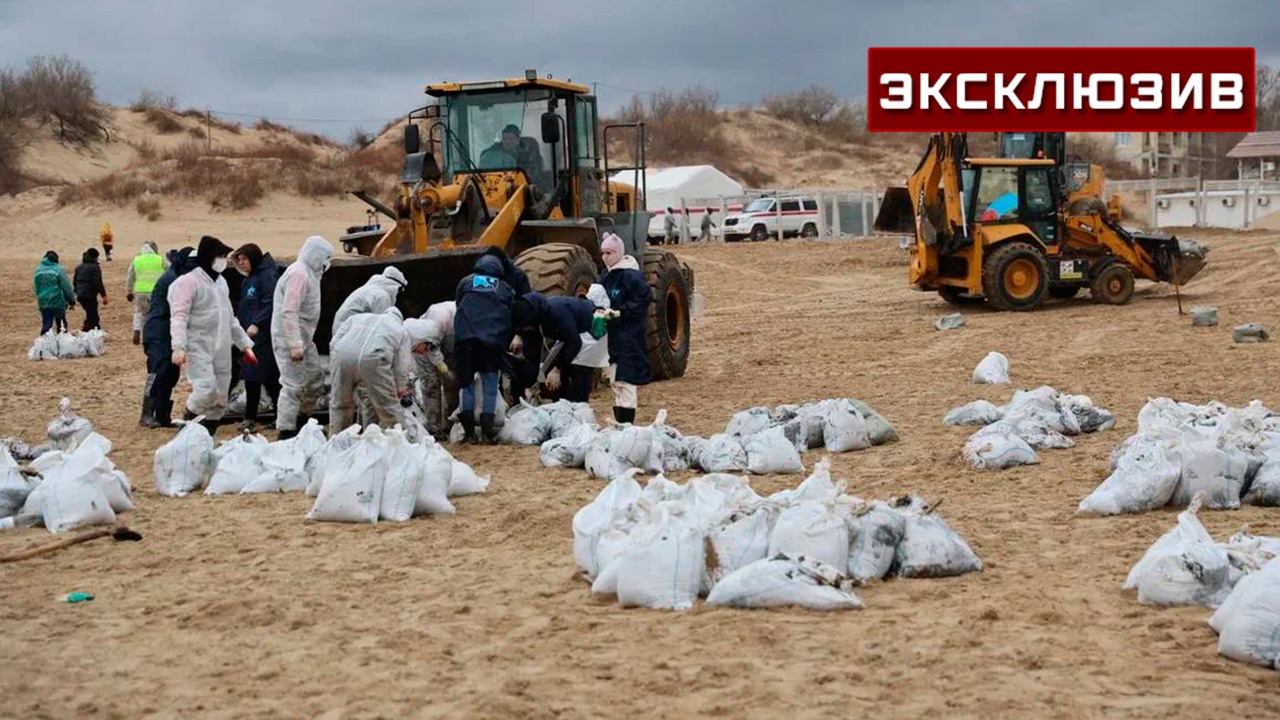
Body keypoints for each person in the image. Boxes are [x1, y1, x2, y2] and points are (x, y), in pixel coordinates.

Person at [169, 236, 257, 431]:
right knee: (206, 390)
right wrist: (178, 346)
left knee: (220, 398)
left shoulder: (221, 283)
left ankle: (207, 435)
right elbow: (179, 316)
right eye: (220, 256)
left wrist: (245, 345)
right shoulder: (189, 282)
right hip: (198, 345)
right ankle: (188, 416)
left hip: (222, 348)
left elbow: (230, 318)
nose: (224, 260)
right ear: (208, 257)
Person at [328, 309, 437, 437]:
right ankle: (396, 443)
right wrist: (400, 388)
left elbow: (334, 342)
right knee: (389, 408)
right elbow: (402, 365)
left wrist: (337, 359)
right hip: (375, 359)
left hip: (343, 355)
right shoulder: (400, 331)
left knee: (340, 403)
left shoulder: (357, 318)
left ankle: (337, 440)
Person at [272, 235, 334, 439]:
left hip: (305, 339)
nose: (327, 262)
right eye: (325, 257)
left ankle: (302, 418)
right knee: (293, 385)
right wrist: (294, 344)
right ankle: (286, 430)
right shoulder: (299, 274)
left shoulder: (311, 274)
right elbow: (289, 311)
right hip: (290, 340)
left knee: (315, 380)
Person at [453, 254, 515, 444]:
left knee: (467, 385)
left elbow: (458, 303)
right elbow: (510, 312)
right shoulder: (505, 288)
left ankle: (470, 434)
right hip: (491, 342)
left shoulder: (465, 282)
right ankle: (488, 434)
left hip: (465, 340)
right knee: (490, 385)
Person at [510, 290, 600, 403]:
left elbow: (575, 343)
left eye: (525, 327)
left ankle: (578, 406)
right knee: (550, 371)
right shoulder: (532, 324)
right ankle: (560, 404)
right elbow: (532, 358)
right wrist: (527, 386)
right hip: (569, 336)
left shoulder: (556, 312)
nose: (526, 330)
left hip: (592, 329)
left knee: (577, 369)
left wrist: (558, 369)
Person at [599, 233, 652, 424]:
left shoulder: (631, 276)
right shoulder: (606, 276)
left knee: (626, 380)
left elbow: (642, 299)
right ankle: (621, 421)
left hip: (629, 336)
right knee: (615, 380)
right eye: (603, 253)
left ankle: (627, 423)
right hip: (613, 337)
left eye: (610, 252)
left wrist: (620, 312)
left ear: (620, 253)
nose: (606, 257)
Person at [141, 247, 197, 428]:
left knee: (170, 373)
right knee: (158, 371)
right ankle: (147, 414)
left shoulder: (178, 277)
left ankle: (163, 414)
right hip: (158, 331)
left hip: (169, 332)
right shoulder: (172, 280)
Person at [232, 243, 283, 431]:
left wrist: (258, 323)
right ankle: (249, 417)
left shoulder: (267, 276)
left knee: (269, 377)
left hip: (263, 335)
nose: (242, 263)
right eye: (239, 260)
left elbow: (271, 302)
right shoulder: (249, 279)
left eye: (244, 259)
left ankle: (280, 415)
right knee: (251, 376)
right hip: (249, 337)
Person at [413, 301, 457, 439]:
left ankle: (451, 423)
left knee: (453, 386)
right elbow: (431, 348)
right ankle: (434, 427)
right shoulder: (439, 317)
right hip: (424, 347)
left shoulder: (465, 313)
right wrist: (442, 367)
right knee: (431, 385)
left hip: (449, 347)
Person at [331, 266, 407, 337]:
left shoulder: (370, 289)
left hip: (341, 332)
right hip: (349, 334)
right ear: (396, 288)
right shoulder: (382, 296)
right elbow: (382, 325)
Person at [125, 241, 167, 345]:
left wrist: (129, 292)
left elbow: (130, 277)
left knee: (139, 313)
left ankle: (137, 330)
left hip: (140, 292)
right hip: (156, 292)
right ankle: (154, 334)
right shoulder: (160, 259)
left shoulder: (137, 260)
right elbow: (169, 272)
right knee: (155, 314)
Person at [33, 250, 75, 335]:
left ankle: (44, 343)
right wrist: (71, 301)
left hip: (43, 301)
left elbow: (36, 287)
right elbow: (66, 287)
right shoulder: (58, 270)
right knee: (61, 325)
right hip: (57, 301)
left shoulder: (38, 270)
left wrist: (40, 296)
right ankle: (62, 343)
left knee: (47, 323)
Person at [73, 248, 108, 331]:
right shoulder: (95, 267)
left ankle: (90, 330)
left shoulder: (79, 267)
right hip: (90, 295)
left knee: (90, 313)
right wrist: (104, 295)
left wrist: (76, 292)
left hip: (80, 295)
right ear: (95, 257)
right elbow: (98, 283)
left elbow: (75, 282)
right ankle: (92, 331)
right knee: (93, 315)